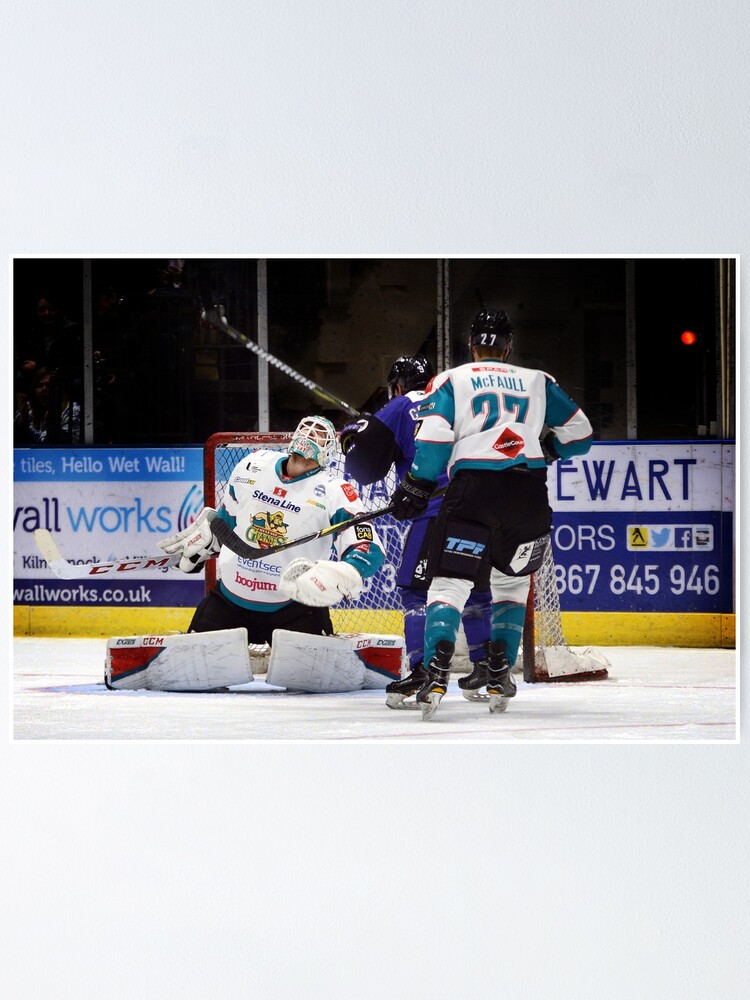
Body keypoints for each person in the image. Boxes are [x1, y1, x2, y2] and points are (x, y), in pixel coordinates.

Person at [390, 309, 594, 719]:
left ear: (472, 346)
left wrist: (416, 485)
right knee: (512, 586)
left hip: (473, 492)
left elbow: (432, 441)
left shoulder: (452, 379)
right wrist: (552, 450)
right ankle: (499, 670)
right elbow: (582, 435)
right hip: (528, 494)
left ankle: (435, 671)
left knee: (448, 586)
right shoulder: (538, 381)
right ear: (509, 347)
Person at [340, 355, 492, 709]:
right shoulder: (457, 402)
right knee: (473, 589)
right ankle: (487, 666)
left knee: (415, 591)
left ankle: (423, 669)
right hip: (480, 511)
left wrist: (352, 439)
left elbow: (364, 471)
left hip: (435, 515)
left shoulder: (400, 406)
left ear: (396, 385)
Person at [158, 415, 386, 644]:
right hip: (229, 602)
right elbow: (230, 519)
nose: (309, 435)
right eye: (305, 428)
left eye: (318, 434)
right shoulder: (254, 465)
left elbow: (367, 545)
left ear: (327, 452)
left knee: (310, 679)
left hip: (296, 610)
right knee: (196, 672)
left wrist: (348, 570)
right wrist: (211, 537)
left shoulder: (334, 491)